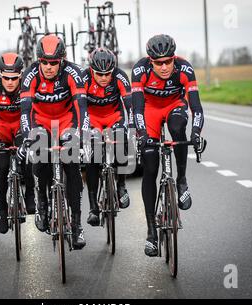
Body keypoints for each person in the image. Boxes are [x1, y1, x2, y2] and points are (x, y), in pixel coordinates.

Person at [131, 34, 205, 257]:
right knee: (150, 169)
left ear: (174, 58)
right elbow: (136, 109)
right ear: (150, 60)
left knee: (178, 130)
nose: (164, 67)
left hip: (174, 105)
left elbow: (197, 108)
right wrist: (142, 134)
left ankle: (181, 180)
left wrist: (197, 133)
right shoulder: (139, 70)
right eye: (158, 63)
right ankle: (151, 233)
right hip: (150, 111)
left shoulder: (185, 68)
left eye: (168, 61)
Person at [17, 35, 90, 249]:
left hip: (67, 122)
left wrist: (83, 136)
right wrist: (28, 138)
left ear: (62, 60)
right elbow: (25, 111)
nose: (49, 67)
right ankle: (42, 202)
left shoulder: (73, 73)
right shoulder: (30, 76)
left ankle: (76, 226)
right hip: (41, 122)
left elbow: (82, 108)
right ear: (39, 60)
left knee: (73, 167)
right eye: (44, 62)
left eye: (54, 63)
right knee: (39, 153)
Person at [0, 53, 36, 234]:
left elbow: (34, 111)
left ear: (21, 74)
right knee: (2, 167)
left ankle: (29, 194)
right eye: (5, 78)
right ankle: (2, 212)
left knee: (26, 156)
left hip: (20, 124)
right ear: (0, 75)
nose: (10, 82)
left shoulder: (28, 82)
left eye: (14, 78)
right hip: (1, 128)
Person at [83, 48, 133, 227]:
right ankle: (93, 208)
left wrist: (133, 129)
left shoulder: (120, 77)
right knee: (91, 157)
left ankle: (121, 185)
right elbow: (78, 107)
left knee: (122, 142)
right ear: (91, 70)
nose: (104, 78)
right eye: (99, 74)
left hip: (114, 116)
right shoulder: (83, 78)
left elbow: (130, 106)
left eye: (107, 74)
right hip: (92, 118)